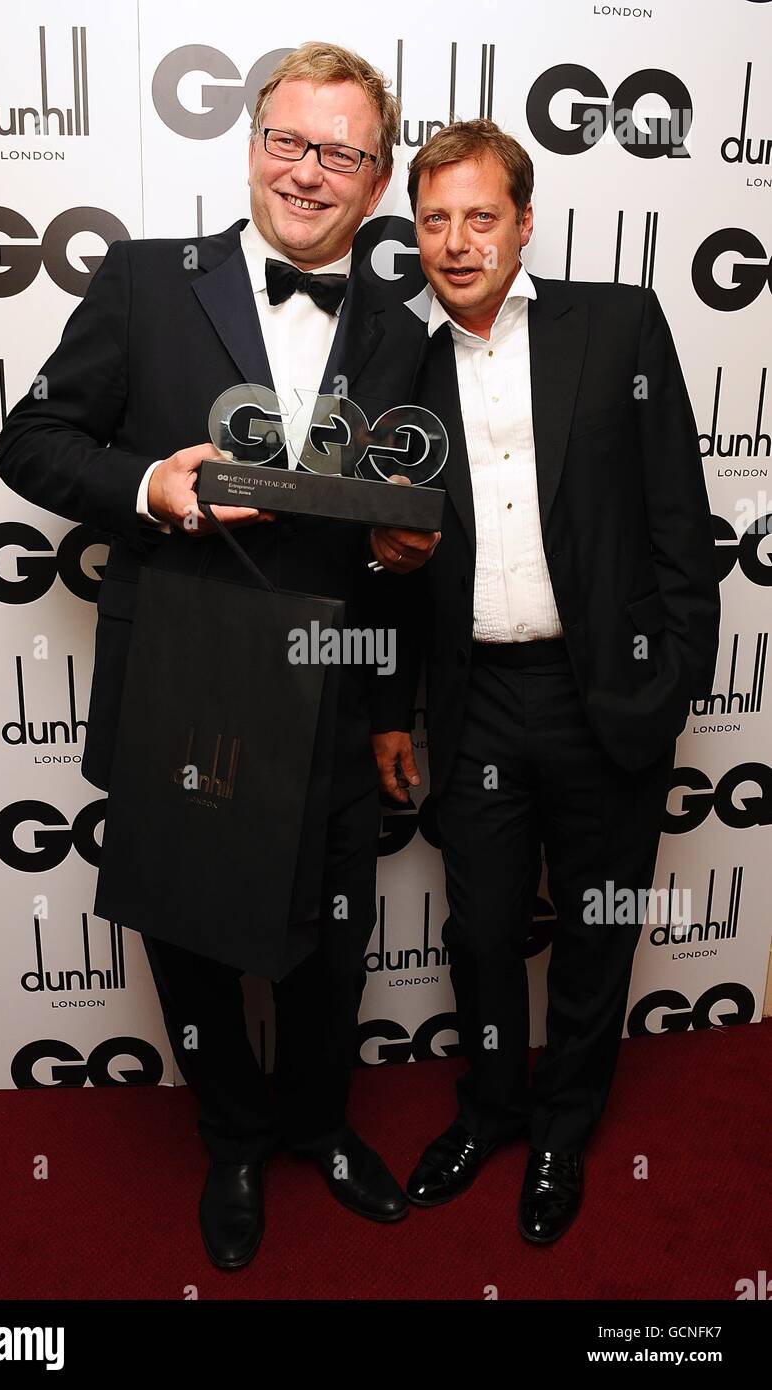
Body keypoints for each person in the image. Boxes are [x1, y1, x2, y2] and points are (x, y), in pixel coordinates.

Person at [0, 42, 438, 1270]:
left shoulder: (404, 334)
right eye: (288, 140)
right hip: (183, 676)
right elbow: (30, 442)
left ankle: (318, 1122)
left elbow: (401, 534)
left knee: (331, 927)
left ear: (378, 175)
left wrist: (399, 638)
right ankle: (232, 1137)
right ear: (251, 144)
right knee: (189, 932)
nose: (308, 172)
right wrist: (152, 484)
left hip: (338, 685)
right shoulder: (143, 282)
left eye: (341, 152)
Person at [371, 119, 719, 1243]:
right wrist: (391, 704)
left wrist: (671, 679)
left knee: (595, 927)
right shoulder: (397, 362)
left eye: (481, 216)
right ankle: (488, 1110)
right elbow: (383, 559)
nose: (457, 241)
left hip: (604, 693)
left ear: (525, 221)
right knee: (477, 933)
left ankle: (563, 1128)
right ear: (413, 233)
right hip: (475, 701)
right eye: (434, 220)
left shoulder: (615, 322)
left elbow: (678, 514)